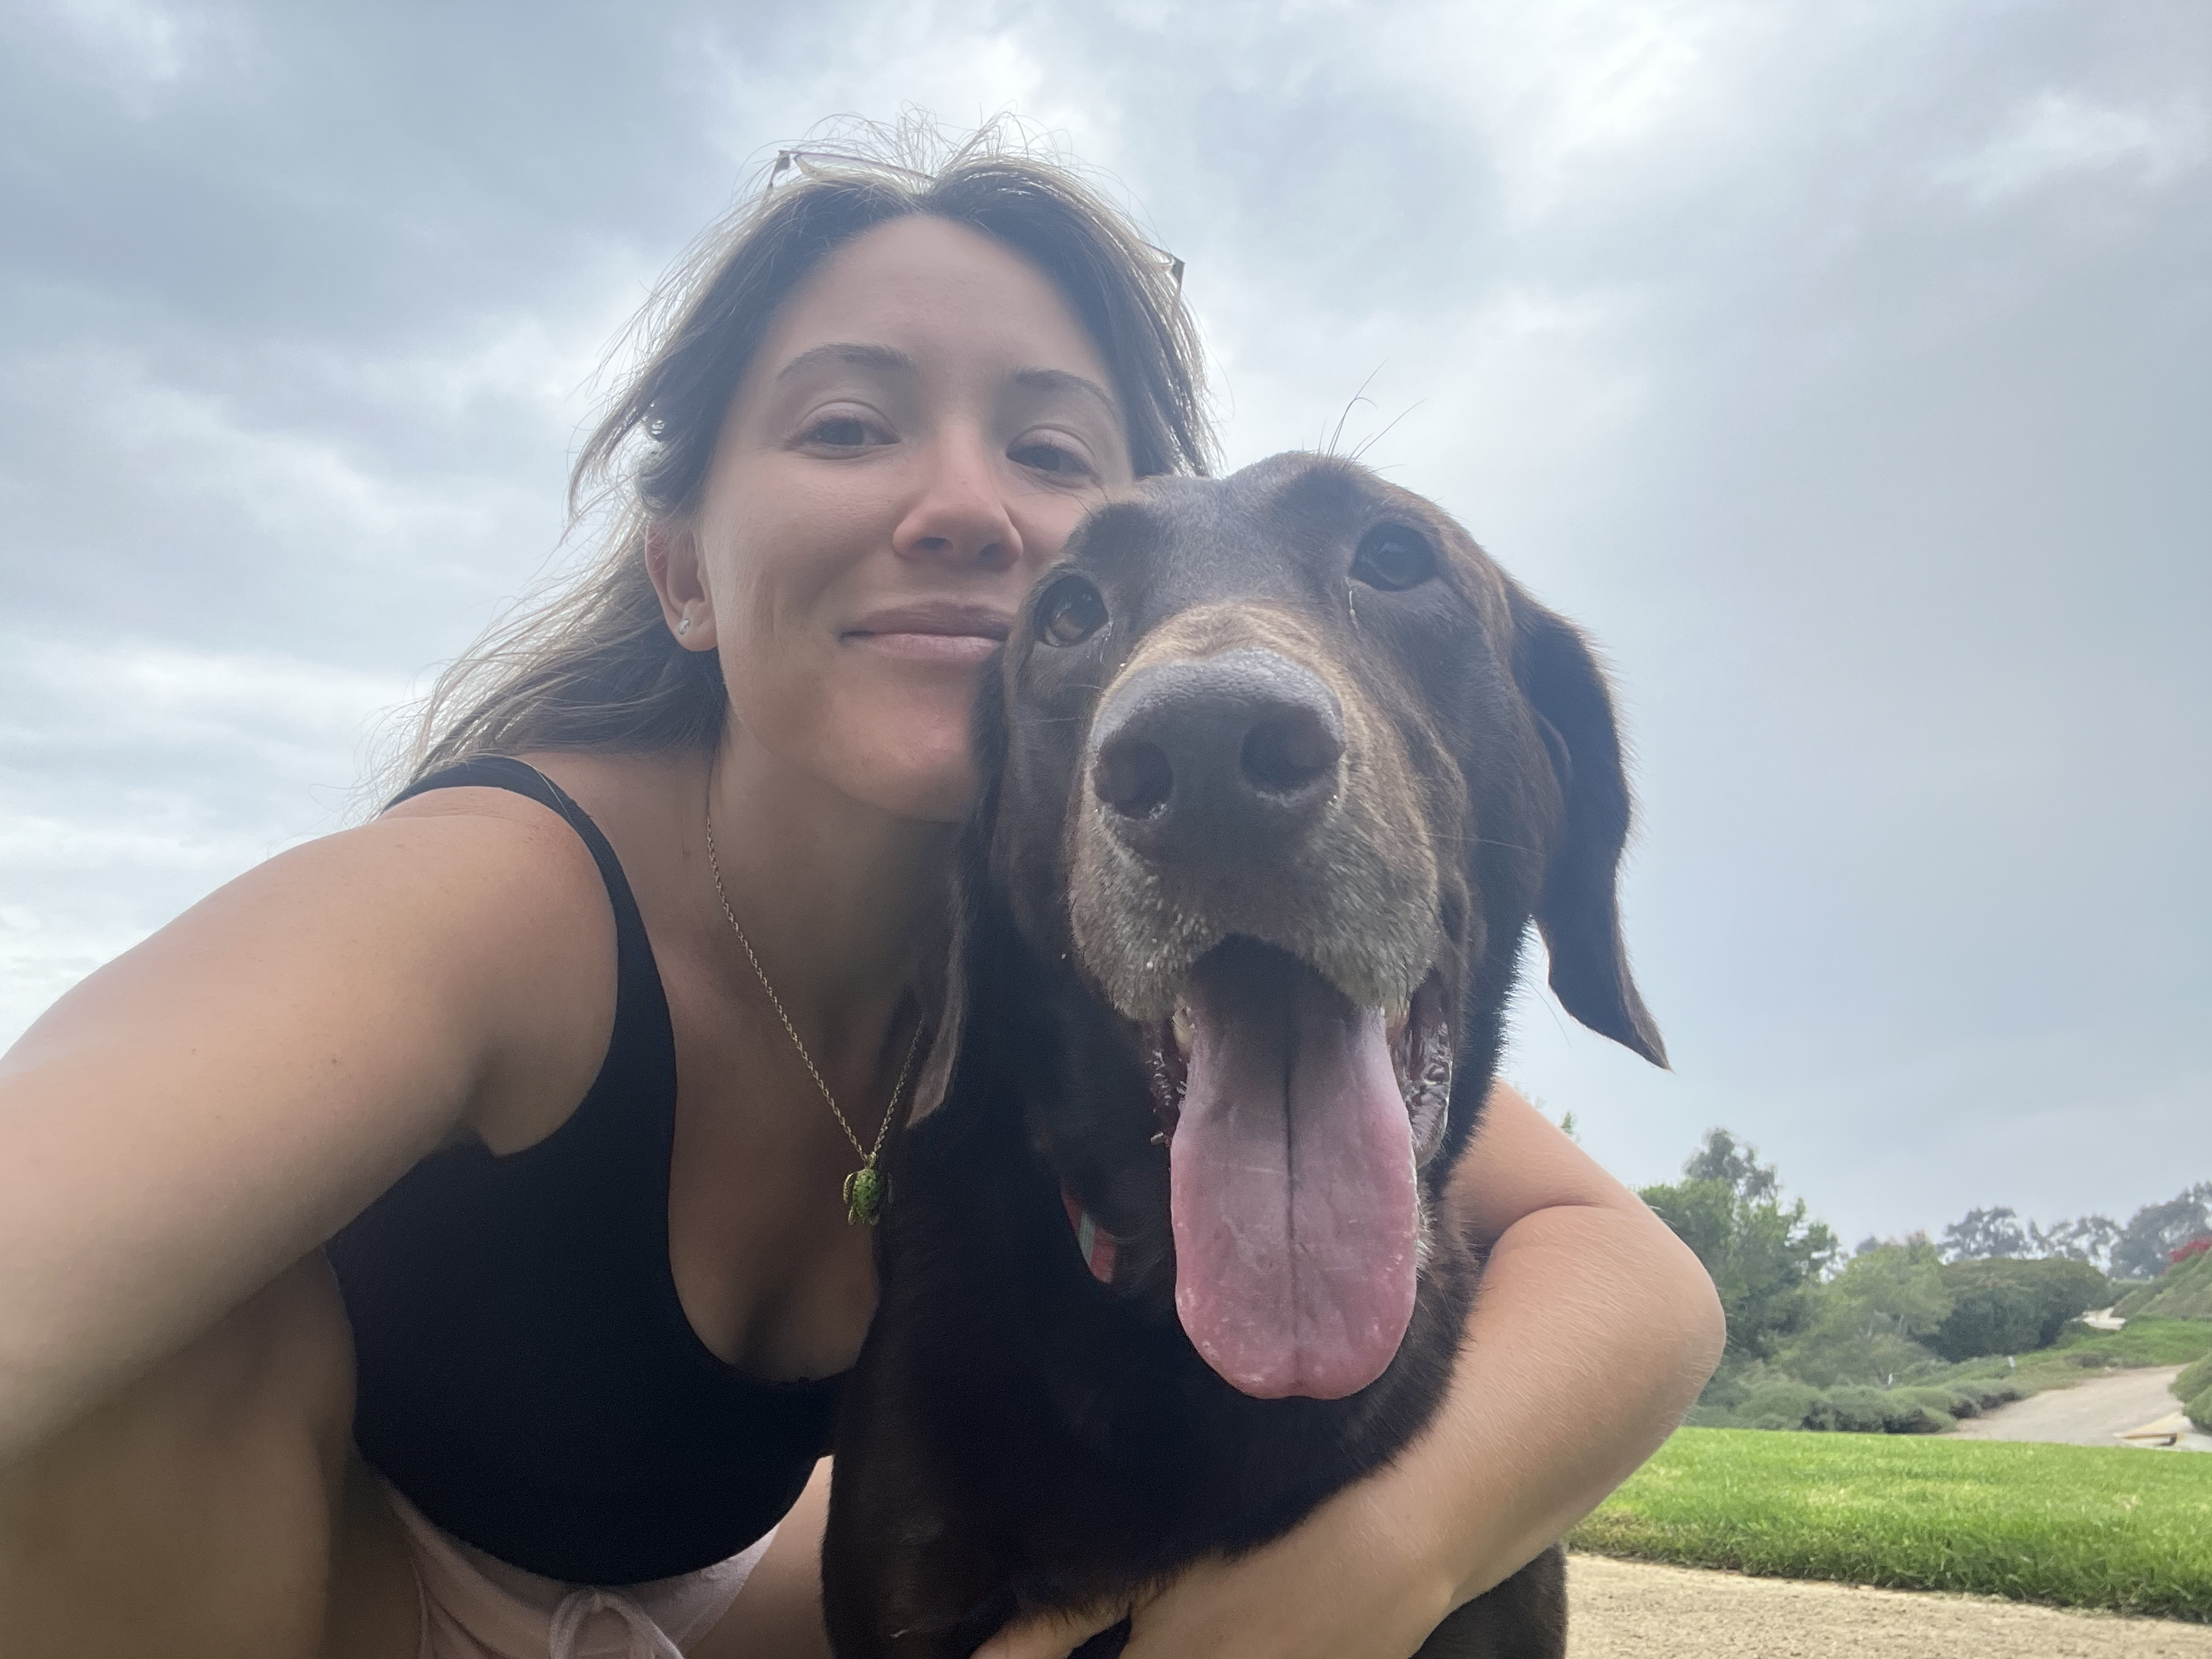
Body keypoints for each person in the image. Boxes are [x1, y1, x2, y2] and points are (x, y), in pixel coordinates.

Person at [0, 127, 1724, 1659]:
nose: (969, 507)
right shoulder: (491, 900)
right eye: (846, 423)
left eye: (1056, 459)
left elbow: (1631, 1281)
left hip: (746, 1620)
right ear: (682, 567)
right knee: (162, 1327)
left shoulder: (1077, 957)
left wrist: (1345, 1577)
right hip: (314, 1609)